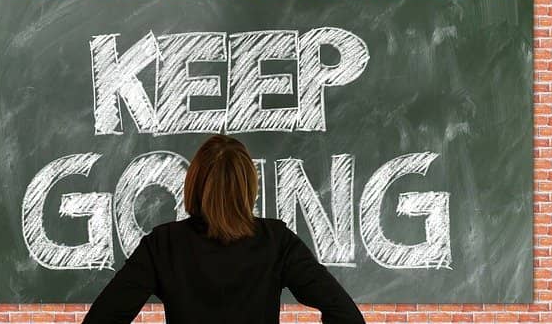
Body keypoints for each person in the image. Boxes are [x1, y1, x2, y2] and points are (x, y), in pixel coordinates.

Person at [82, 134, 365, 324]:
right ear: (248, 187)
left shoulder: (164, 244)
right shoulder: (276, 241)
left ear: (195, 182)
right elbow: (347, 316)